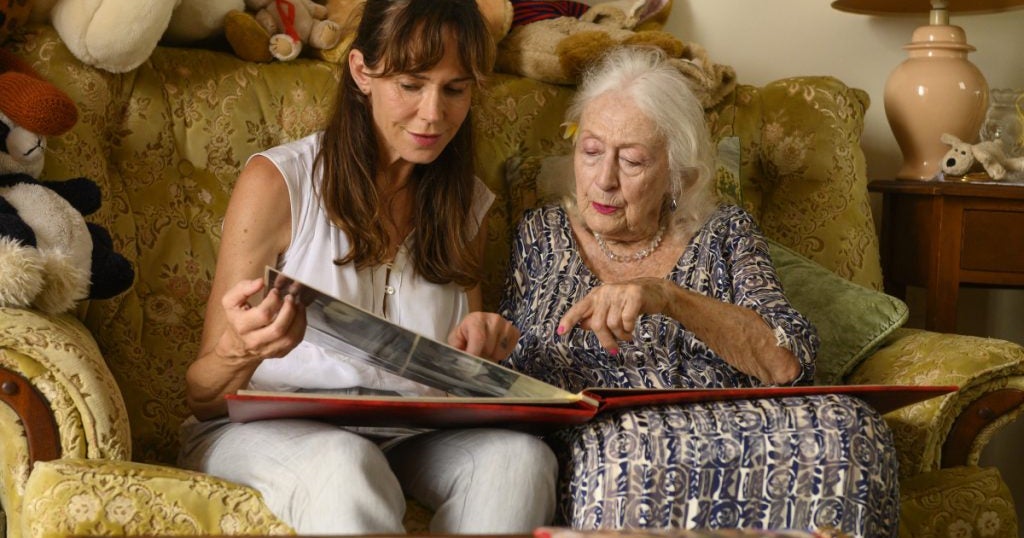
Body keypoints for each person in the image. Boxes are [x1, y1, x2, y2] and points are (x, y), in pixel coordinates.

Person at [177, 0, 557, 533]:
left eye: (454, 89)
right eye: (411, 84)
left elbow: (461, 361)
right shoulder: (278, 183)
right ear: (361, 71)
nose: (433, 113)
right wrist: (239, 350)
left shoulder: (465, 204)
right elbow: (202, 396)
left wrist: (479, 351)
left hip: (408, 433)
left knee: (520, 461)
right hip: (269, 429)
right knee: (345, 464)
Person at [500, 46, 899, 537]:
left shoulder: (724, 232)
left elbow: (787, 364)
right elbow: (512, 363)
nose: (604, 180)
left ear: (676, 174)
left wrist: (669, 298)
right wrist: (491, 343)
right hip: (609, 440)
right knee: (630, 451)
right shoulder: (541, 233)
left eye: (633, 161)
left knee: (852, 426)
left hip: (738, 426)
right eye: (592, 151)